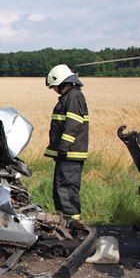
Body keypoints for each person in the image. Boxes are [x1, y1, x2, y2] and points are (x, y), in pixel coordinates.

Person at [44, 64, 89, 224]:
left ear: (63, 83)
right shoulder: (70, 97)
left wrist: (63, 147)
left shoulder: (74, 97)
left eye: (55, 87)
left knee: (67, 191)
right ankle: (63, 225)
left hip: (70, 155)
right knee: (60, 191)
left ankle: (74, 227)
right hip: (66, 155)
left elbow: (72, 125)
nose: (55, 90)